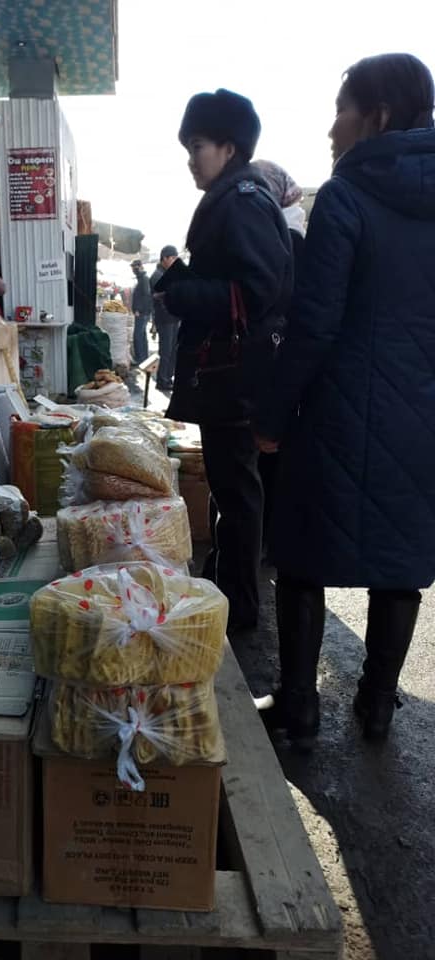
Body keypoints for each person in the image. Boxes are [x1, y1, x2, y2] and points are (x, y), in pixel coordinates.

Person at [255, 53, 435, 746]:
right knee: (401, 562)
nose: (332, 129)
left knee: (302, 557)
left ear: (377, 117)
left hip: (337, 415)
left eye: (341, 111)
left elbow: (314, 324)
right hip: (421, 420)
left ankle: (300, 708)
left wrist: (273, 415)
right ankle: (378, 704)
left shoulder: (346, 196)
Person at [155, 88, 292, 632]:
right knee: (231, 487)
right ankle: (227, 589)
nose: (191, 158)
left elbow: (259, 289)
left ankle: (239, 607)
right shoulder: (237, 197)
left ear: (229, 147)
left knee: (237, 491)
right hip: (232, 373)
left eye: (198, 145)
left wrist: (184, 292)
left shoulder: (242, 201)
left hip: (238, 374)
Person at [251, 161, 307, 558]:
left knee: (269, 453)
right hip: (280, 360)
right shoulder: (292, 234)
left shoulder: (285, 239)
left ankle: (268, 539)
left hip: (276, 360)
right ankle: (270, 539)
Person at [150, 245, 180, 392]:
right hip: (165, 319)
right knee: (166, 351)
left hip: (173, 318)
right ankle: (162, 380)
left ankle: (168, 378)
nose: (174, 261)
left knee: (172, 350)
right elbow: (161, 298)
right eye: (172, 258)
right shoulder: (157, 275)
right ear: (164, 258)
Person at [130, 259, 152, 365]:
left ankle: (140, 358)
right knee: (142, 335)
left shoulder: (144, 279)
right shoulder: (141, 279)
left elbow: (146, 296)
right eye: (132, 267)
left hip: (142, 313)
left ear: (140, 266)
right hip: (143, 312)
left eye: (135, 267)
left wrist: (139, 309)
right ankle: (144, 357)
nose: (133, 269)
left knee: (138, 336)